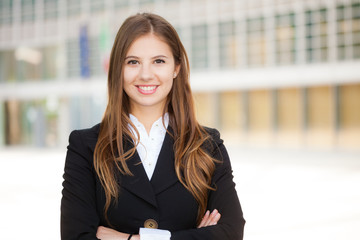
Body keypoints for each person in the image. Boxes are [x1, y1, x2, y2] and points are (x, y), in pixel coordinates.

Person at [61, 13, 245, 240]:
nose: (146, 75)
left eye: (159, 61)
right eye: (133, 62)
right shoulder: (85, 147)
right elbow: (76, 236)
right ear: (118, 68)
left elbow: (230, 233)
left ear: (176, 67)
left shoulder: (206, 144)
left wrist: (130, 239)